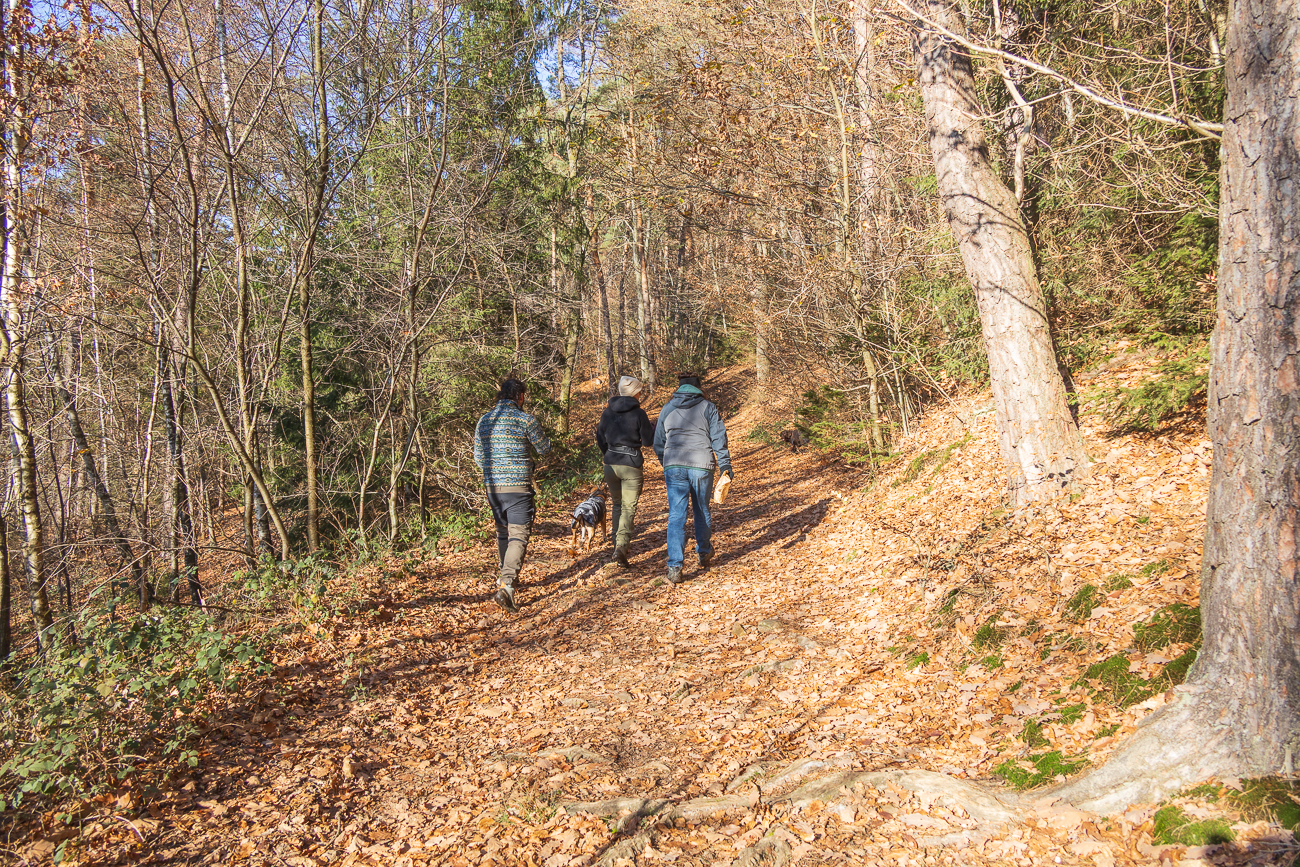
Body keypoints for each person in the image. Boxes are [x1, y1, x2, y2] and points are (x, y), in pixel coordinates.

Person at [473, 378, 551, 612]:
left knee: (502, 532)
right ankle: (507, 586)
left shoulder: (484, 421)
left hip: (493, 488)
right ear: (520, 397)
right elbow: (544, 448)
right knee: (518, 534)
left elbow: (478, 458)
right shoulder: (525, 419)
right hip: (517, 486)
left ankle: (505, 575)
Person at [653, 372, 732, 585]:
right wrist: (725, 464)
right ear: (699, 387)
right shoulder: (708, 407)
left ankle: (675, 567)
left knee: (676, 515)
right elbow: (719, 438)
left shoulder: (667, 408)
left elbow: (658, 442)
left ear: (679, 388)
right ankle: (704, 552)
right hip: (702, 464)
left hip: (674, 465)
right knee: (701, 509)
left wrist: (667, 462)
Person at [595, 375, 657, 567]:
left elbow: (599, 438)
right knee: (628, 507)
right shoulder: (639, 414)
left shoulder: (607, 413)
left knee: (617, 505)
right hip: (631, 464)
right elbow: (648, 441)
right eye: (640, 391)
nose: (641, 393)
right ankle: (621, 546)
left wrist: (610, 454)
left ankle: (617, 546)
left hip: (610, 464)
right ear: (635, 393)